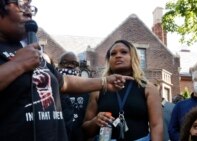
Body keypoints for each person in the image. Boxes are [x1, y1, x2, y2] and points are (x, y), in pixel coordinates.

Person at [0, 1, 132, 141]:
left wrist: (104, 81)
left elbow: (65, 82)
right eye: (21, 4)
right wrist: (17, 65)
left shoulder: (29, 52)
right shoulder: (21, 57)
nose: (29, 12)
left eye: (31, 7)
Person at [82, 40, 163, 141]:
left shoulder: (149, 89)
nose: (118, 55)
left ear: (133, 57)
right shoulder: (98, 89)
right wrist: (95, 121)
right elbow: (86, 130)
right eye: (113, 54)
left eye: (124, 52)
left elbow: (156, 126)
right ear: (109, 60)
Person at [57, 51, 90, 141]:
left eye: (74, 63)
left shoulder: (86, 91)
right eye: (65, 62)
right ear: (58, 65)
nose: (70, 66)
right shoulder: (50, 89)